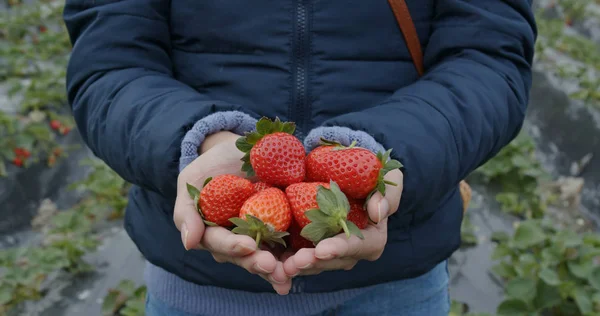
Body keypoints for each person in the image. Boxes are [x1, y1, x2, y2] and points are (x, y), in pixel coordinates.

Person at [62, 0, 536, 315]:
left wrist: (374, 157)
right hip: (198, 287)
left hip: (396, 282)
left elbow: (488, 57)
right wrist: (200, 140)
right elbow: (111, 63)